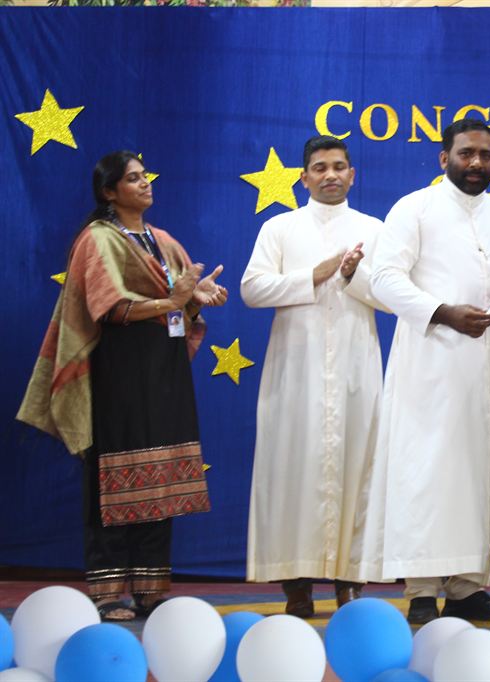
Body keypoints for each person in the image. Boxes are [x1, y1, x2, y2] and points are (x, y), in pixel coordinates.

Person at [17, 151, 227, 621]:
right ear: (109, 192)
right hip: (119, 371)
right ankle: (109, 591)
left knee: (161, 475)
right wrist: (171, 301)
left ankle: (151, 587)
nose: (144, 183)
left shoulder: (162, 240)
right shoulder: (98, 240)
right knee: (113, 475)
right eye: (132, 178)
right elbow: (109, 308)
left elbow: (178, 303)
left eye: (145, 175)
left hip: (165, 371)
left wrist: (195, 300)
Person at [357, 118, 490, 625]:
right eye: (466, 154)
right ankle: (421, 589)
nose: (476, 163)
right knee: (427, 471)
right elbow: (385, 278)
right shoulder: (414, 208)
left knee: (481, 469)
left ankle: (467, 587)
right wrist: (444, 312)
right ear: (445, 158)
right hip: (430, 363)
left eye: (485, 154)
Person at [241, 136, 387, 617]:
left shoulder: (373, 230)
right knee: (292, 468)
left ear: (352, 175)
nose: (330, 175)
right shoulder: (279, 227)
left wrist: (353, 276)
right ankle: (296, 586)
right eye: (320, 168)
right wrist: (317, 274)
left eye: (339, 167)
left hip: (355, 366)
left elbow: (392, 296)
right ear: (303, 178)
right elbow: (253, 289)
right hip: (296, 369)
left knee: (358, 465)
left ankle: (351, 582)